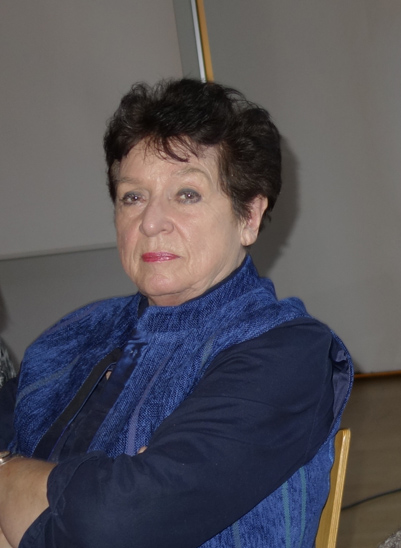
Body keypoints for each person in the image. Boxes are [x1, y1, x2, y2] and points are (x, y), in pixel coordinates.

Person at [0, 79, 353, 548]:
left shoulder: (285, 352)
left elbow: (116, 523)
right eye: (133, 196)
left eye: (186, 194)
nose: (150, 222)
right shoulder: (72, 335)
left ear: (248, 216)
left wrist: (7, 475)